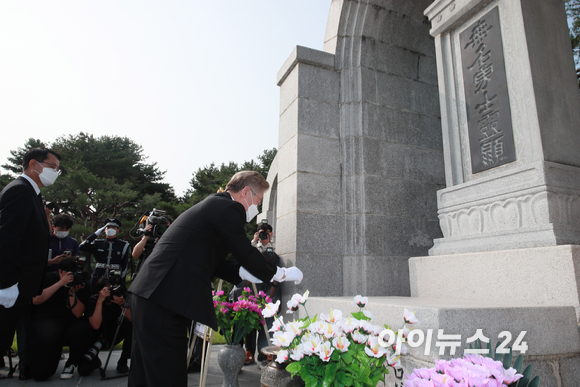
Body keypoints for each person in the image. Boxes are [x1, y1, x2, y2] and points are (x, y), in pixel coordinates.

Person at [128, 171, 303, 387]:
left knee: (144, 374)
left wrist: (243, 272)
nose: (256, 207)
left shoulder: (214, 207)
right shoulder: (230, 207)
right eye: (258, 200)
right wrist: (280, 273)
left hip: (154, 294)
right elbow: (245, 252)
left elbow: (214, 261)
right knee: (166, 376)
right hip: (165, 297)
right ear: (246, 192)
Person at [0, 148, 61, 380]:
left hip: (23, 287)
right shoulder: (20, 191)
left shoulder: (33, 194)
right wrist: (6, 284)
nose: (56, 172)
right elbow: (7, 240)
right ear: (34, 164)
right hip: (12, 287)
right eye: (52, 166)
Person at [28, 258, 93, 380]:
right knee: (40, 375)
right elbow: (36, 300)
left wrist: (72, 293)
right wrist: (60, 284)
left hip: (67, 327)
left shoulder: (81, 283)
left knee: (84, 327)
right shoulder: (49, 278)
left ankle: (71, 363)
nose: (71, 277)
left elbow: (78, 313)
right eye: (68, 274)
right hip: (46, 328)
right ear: (60, 272)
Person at [81, 277, 132, 375]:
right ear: (100, 291)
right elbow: (95, 325)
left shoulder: (117, 300)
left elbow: (132, 320)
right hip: (95, 337)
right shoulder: (93, 300)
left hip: (112, 334)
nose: (111, 292)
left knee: (130, 325)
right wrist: (100, 301)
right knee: (84, 370)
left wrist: (122, 304)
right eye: (108, 290)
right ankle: (94, 360)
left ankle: (123, 362)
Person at [79, 217, 131, 294]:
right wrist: (95, 234)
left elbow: (124, 264)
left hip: (114, 277)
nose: (111, 229)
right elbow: (82, 247)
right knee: (93, 296)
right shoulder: (97, 243)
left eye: (113, 227)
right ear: (104, 230)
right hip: (98, 276)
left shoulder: (123, 245)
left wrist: (122, 282)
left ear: (117, 230)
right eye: (108, 227)